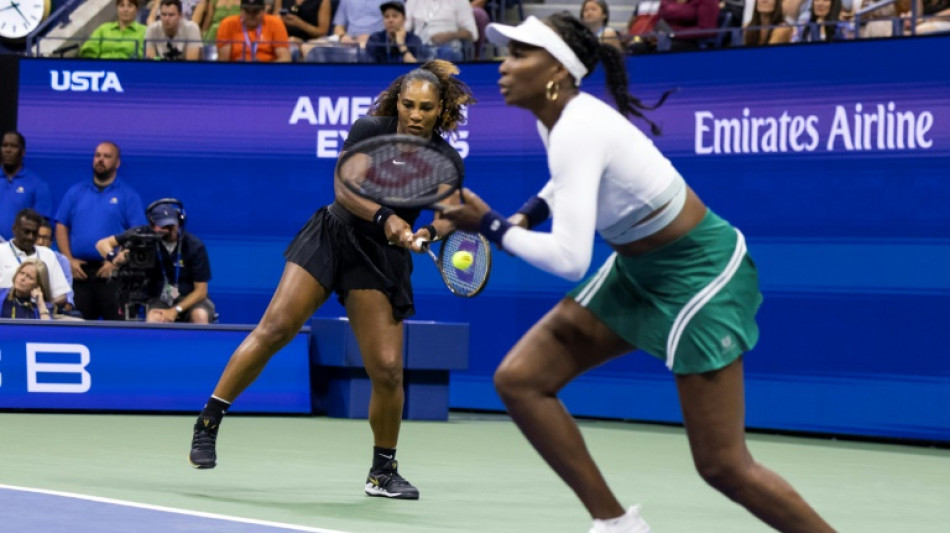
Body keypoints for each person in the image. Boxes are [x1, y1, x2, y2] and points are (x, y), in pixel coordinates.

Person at [442, 14, 835, 532]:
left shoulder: (576, 126)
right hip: (638, 268)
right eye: (506, 53)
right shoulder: (557, 118)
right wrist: (524, 216)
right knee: (521, 380)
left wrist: (490, 225)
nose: (503, 67)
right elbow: (567, 183)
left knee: (723, 466)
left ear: (558, 70)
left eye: (519, 55)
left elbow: (570, 260)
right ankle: (616, 524)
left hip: (701, 273)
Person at [187, 60, 476, 502]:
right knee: (276, 328)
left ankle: (382, 472)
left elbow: (449, 213)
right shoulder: (369, 130)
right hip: (334, 235)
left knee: (387, 370)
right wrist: (386, 217)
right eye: (409, 104)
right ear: (398, 101)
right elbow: (346, 188)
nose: (416, 115)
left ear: (441, 111)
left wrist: (425, 233)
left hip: (380, 259)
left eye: (426, 108)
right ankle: (208, 420)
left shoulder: (445, 160)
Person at [55, 141, 148, 321]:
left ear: (117, 163)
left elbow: (137, 234)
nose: (100, 160)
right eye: (97, 155)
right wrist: (68, 260)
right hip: (79, 273)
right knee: (77, 325)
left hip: (113, 275)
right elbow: (61, 225)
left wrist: (116, 262)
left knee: (117, 330)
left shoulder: (128, 196)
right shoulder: (75, 192)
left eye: (106, 156)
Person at [95, 198, 214, 324]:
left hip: (191, 298)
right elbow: (102, 244)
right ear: (153, 225)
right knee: (154, 318)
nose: (168, 230)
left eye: (171, 225)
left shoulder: (194, 246)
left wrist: (175, 310)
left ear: (179, 222)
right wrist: (114, 258)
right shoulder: (141, 235)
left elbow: (201, 291)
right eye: (163, 226)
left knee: (199, 315)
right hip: (160, 298)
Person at [0, 208, 72, 311]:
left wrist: (41, 304)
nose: (30, 237)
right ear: (14, 228)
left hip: (41, 315)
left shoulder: (48, 255)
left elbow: (61, 296)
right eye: (26, 232)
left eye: (34, 233)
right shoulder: (1, 251)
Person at [1, 131, 51, 241]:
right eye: (4, 146)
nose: (8, 150)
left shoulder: (38, 184)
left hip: (19, 252)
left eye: (13, 146)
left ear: (22, 152)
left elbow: (41, 224)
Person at [216, 0, 292, 62]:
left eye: (255, 11)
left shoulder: (275, 23)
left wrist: (263, 67)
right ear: (241, 10)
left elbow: (285, 58)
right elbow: (223, 62)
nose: (251, 15)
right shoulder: (227, 24)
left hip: (267, 71)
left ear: (263, 11)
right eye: (247, 11)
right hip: (237, 70)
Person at [405, 0, 478, 62]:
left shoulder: (460, 1)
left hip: (449, 47)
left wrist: (448, 36)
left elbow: (472, 34)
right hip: (420, 47)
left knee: (447, 53)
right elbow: (405, 28)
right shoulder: (413, 1)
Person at [80, 0, 148, 59]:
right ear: (117, 9)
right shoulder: (103, 29)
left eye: (130, 6)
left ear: (136, 10)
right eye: (122, 6)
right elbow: (89, 49)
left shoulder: (144, 31)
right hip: (102, 67)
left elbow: (147, 55)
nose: (125, 9)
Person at [36, 217, 76, 313]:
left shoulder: (61, 261)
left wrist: (48, 307)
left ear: (51, 241)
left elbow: (68, 301)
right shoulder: (22, 256)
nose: (41, 242)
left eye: (45, 238)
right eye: (38, 237)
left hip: (53, 310)